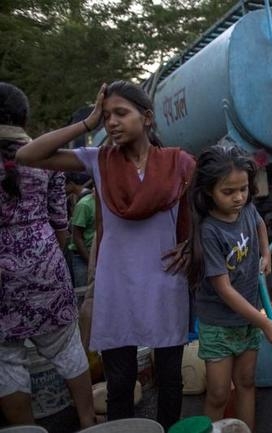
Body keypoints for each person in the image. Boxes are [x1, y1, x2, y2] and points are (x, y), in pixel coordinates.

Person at [15, 80, 195, 429]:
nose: (111, 122)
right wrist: (87, 122)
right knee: (120, 381)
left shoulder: (178, 163)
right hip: (118, 284)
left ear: (146, 118)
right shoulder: (98, 160)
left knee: (171, 377)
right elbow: (26, 155)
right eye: (107, 115)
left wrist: (191, 245)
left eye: (120, 113)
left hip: (164, 279)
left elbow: (200, 211)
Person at [0, 82, 95, 428]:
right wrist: (61, 267)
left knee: (5, 359)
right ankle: (88, 420)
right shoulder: (44, 157)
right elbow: (59, 222)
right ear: (24, 118)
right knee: (66, 345)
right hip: (45, 263)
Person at [185, 141, 272, 430]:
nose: (239, 197)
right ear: (208, 191)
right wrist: (265, 323)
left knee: (246, 382)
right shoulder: (209, 231)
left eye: (243, 189)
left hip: (247, 319)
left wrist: (266, 255)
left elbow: (259, 225)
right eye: (228, 192)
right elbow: (225, 290)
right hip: (219, 324)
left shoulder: (246, 209)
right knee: (218, 393)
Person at [67, 187, 95, 288]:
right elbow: (77, 237)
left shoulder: (108, 204)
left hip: (99, 257)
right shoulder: (85, 204)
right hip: (82, 258)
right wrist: (90, 262)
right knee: (84, 293)